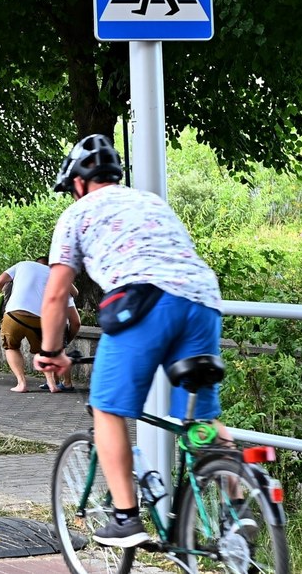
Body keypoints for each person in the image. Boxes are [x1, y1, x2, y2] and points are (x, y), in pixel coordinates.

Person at [36, 135, 226, 547]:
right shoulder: (151, 202)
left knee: (107, 408)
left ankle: (126, 518)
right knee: (202, 422)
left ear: (80, 182)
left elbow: (54, 296)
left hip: (145, 302)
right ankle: (239, 515)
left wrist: (51, 352)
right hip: (204, 302)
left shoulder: (77, 213)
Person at [0, 257, 81, 393]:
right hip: (42, 318)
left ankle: (21, 383)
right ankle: (52, 384)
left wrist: (4, 291)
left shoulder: (22, 265)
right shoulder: (56, 274)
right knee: (43, 350)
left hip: (14, 314)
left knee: (11, 347)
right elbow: (75, 293)